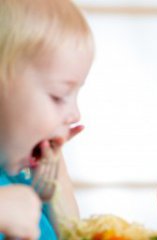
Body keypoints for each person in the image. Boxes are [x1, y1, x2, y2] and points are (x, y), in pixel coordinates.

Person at [0, 0, 94, 239]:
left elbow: (72, 234)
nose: (75, 115)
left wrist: (56, 192)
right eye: (59, 96)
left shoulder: (22, 180)